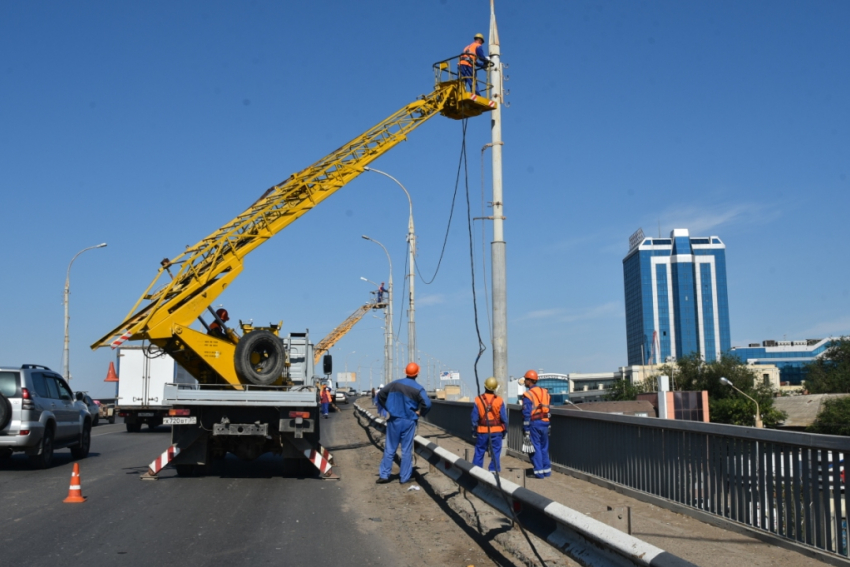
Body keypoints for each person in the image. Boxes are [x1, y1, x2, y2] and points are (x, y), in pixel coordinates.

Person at [376, 362, 431, 484]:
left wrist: (387, 408)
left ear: (405, 372)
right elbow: (427, 404)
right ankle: (404, 477)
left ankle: (384, 475)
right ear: (417, 373)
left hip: (394, 420)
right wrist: (420, 412)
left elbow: (380, 395)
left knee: (390, 447)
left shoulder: (395, 384)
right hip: (409, 421)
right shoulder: (418, 388)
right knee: (406, 449)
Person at [471, 377, 507, 472]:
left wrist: (475, 430)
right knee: (495, 451)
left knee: (480, 451)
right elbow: (504, 418)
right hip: (497, 431)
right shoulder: (499, 400)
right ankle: (493, 471)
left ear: (485, 386)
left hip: (482, 431)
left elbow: (474, 418)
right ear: (495, 388)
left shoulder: (478, 399)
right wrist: (504, 431)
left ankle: (476, 471)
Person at [521, 369, 551, 479]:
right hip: (545, 423)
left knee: (535, 448)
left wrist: (526, 428)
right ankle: (546, 471)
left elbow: (526, 413)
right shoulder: (545, 392)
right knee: (544, 447)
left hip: (535, 423)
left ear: (529, 381)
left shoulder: (528, 394)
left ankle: (538, 472)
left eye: (525, 379)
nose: (524, 381)